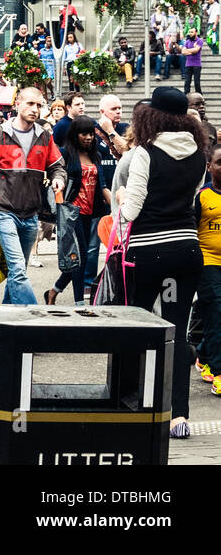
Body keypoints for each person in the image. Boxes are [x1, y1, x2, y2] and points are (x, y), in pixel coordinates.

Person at [119, 86, 207, 438]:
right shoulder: (200, 153)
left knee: (135, 327)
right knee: (177, 331)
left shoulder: (145, 153)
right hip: (187, 250)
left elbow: (131, 211)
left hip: (149, 251)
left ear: (151, 115)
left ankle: (133, 402)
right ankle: (178, 415)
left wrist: (123, 198)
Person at [0, 85, 66, 306]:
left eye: (39, 105)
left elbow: (57, 165)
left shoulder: (43, 135)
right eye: (30, 103)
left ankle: (5, 321)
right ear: (17, 104)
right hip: (4, 210)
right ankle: (34, 321)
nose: (35, 109)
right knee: (17, 270)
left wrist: (58, 177)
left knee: (18, 271)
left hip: (31, 213)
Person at [44, 116, 112, 304]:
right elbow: (56, 175)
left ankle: (53, 291)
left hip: (91, 212)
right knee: (80, 257)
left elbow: (103, 184)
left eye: (91, 133)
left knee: (77, 258)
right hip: (71, 212)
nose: (89, 137)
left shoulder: (95, 155)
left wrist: (115, 206)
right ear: (75, 134)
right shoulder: (66, 153)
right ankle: (79, 304)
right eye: (84, 133)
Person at [190, 143, 221, 396]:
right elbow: (191, 230)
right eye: (219, 162)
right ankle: (220, 373)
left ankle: (203, 352)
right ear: (209, 166)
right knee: (216, 313)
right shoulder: (202, 196)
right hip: (208, 262)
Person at [182, 26, 206, 94]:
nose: (190, 33)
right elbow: (183, 52)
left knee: (197, 83)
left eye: (192, 32)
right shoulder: (187, 41)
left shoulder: (200, 40)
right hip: (188, 64)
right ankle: (185, 98)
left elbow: (196, 50)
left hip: (197, 65)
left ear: (196, 32)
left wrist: (188, 51)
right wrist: (192, 50)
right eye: (189, 32)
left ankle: (200, 98)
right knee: (187, 83)